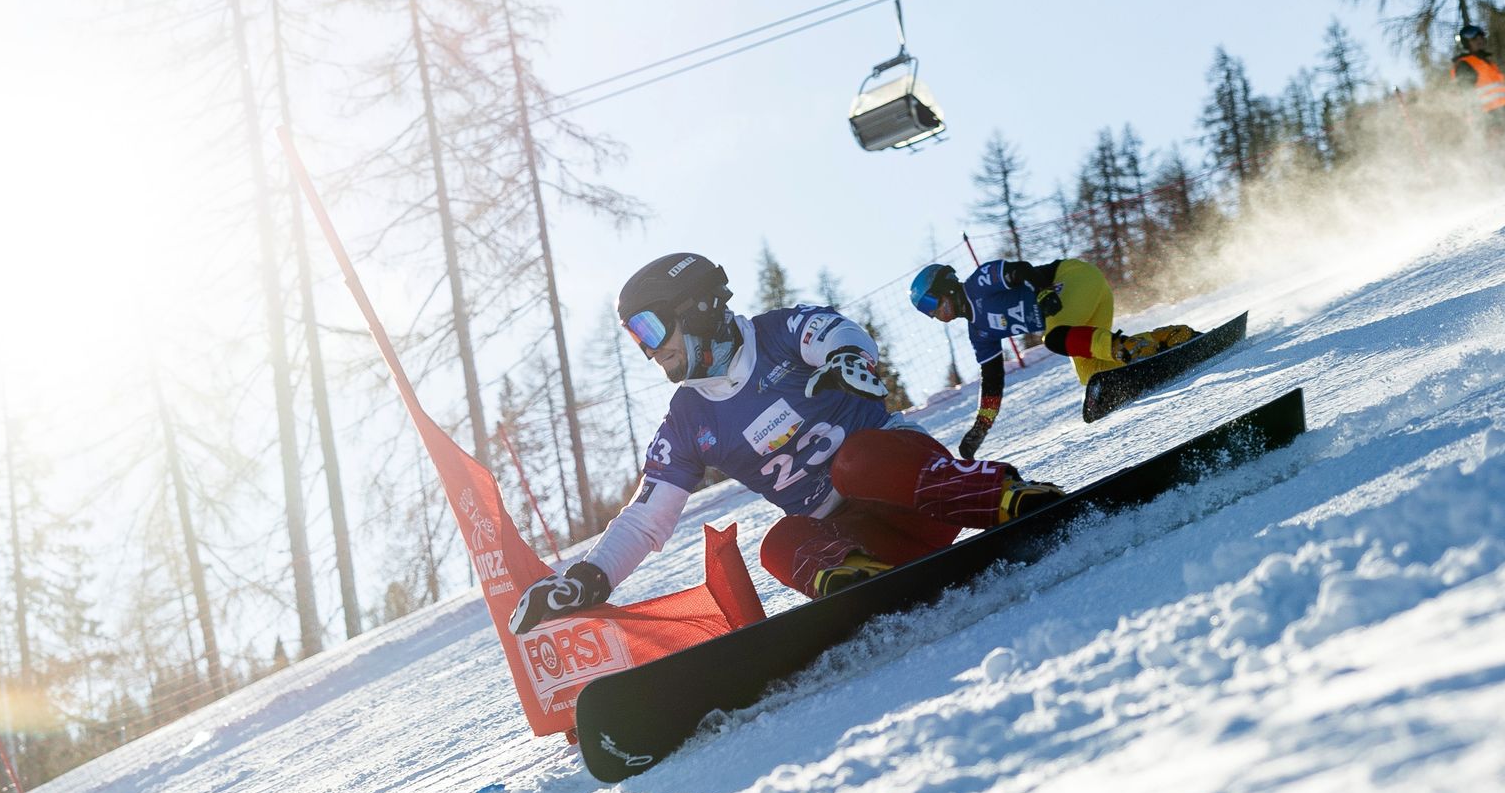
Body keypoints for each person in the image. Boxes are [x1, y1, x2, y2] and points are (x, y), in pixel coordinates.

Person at [508, 254, 1060, 629]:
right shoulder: (687, 420)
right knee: (779, 542)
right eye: (636, 339)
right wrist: (585, 581)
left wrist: (847, 360)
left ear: (695, 310)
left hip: (919, 495)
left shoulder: (775, 335)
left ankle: (1001, 495)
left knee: (856, 462)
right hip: (870, 535)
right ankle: (863, 586)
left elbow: (838, 332)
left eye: (650, 330)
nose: (649, 351)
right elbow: (645, 517)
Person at [910, 256, 1196, 456]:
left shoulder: (978, 284)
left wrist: (1044, 290)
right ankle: (1167, 340)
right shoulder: (979, 333)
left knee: (1055, 337)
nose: (933, 314)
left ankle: (1130, 349)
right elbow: (993, 380)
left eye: (929, 302)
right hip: (1082, 308)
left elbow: (1020, 270)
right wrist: (981, 427)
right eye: (925, 311)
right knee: (1092, 374)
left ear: (944, 287)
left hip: (1074, 279)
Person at [1449, 21, 1505, 121]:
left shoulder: (1489, 63)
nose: (1479, 40)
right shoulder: (1464, 65)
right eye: (1474, 39)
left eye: (1481, 37)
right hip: (1486, 118)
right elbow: (1466, 94)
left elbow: (1500, 89)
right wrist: (1479, 120)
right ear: (1466, 43)